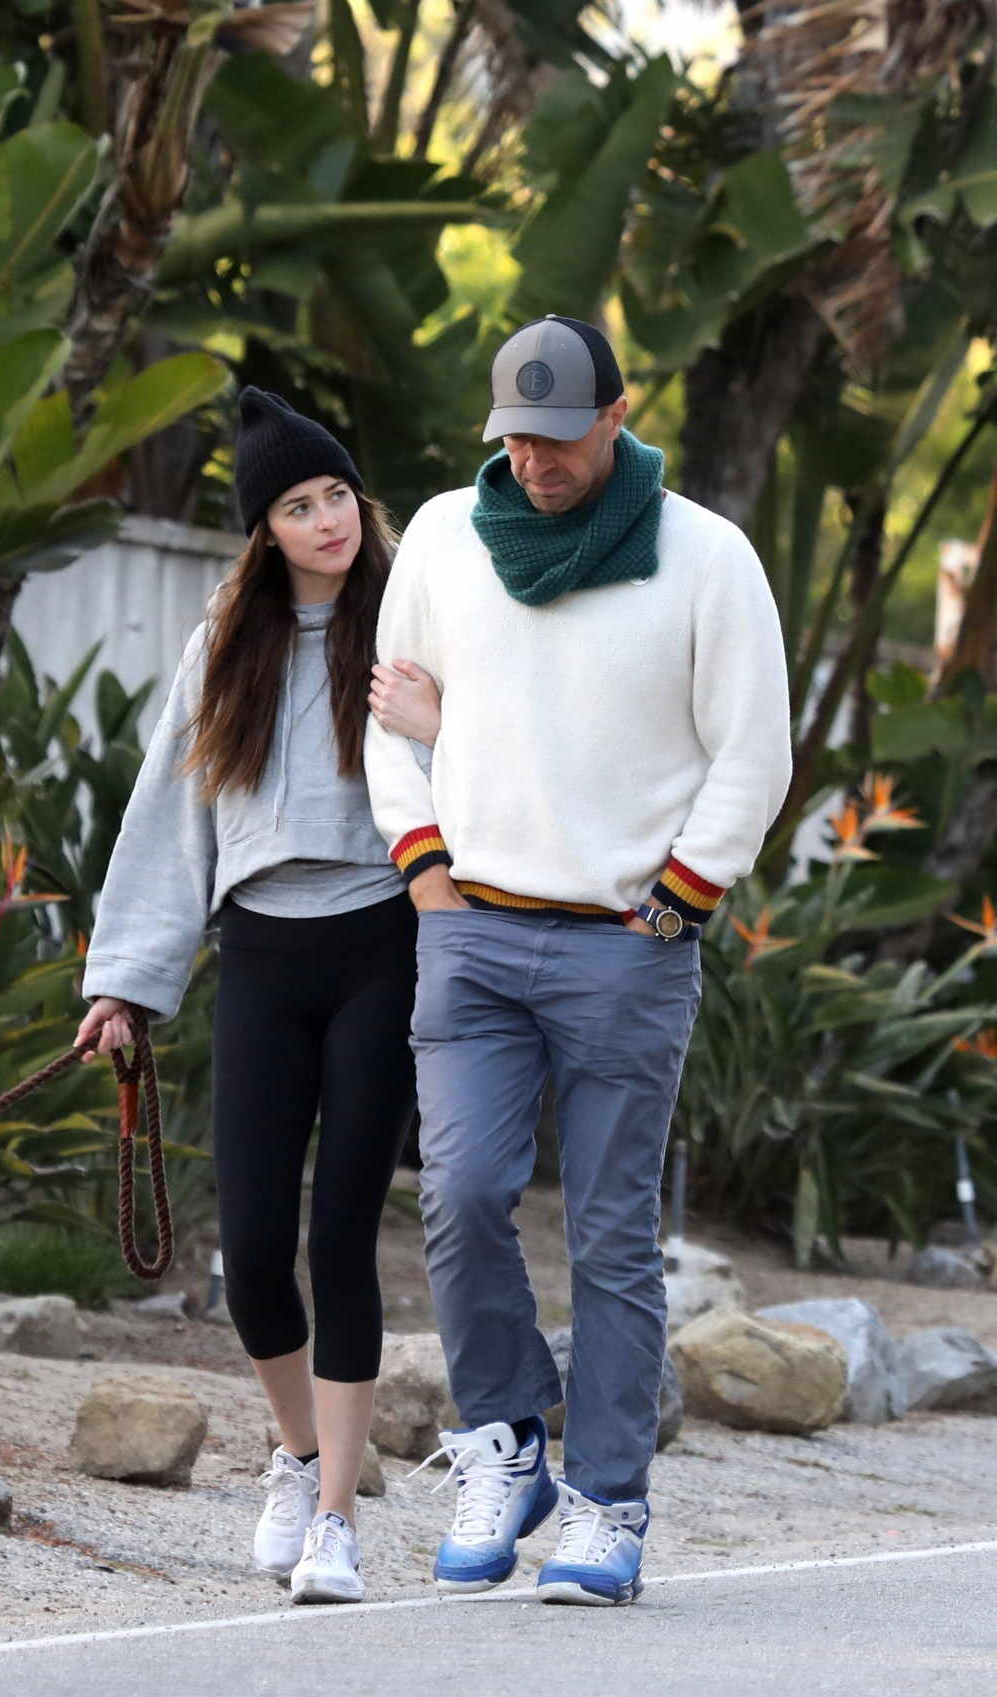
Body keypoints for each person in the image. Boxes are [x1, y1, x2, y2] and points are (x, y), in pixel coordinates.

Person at [363, 315, 792, 1607]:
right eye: (516, 440)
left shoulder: (706, 559)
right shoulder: (443, 537)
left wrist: (673, 905)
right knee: (459, 1196)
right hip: (474, 932)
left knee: (611, 1239)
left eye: (560, 438)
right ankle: (506, 1436)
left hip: (627, 941)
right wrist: (429, 876)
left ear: (615, 417)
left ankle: (609, 1499)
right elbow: (390, 716)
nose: (537, 464)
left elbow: (754, 753)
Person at [76, 388, 437, 1606]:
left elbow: (484, 757)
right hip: (261, 953)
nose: (328, 517)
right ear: (264, 528)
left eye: (337, 493)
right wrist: (128, 982)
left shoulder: (410, 620)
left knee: (342, 1232)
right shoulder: (225, 638)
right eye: (299, 503)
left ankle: (335, 1516)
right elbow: (169, 813)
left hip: (382, 939)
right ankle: (291, 1455)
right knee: (251, 1252)